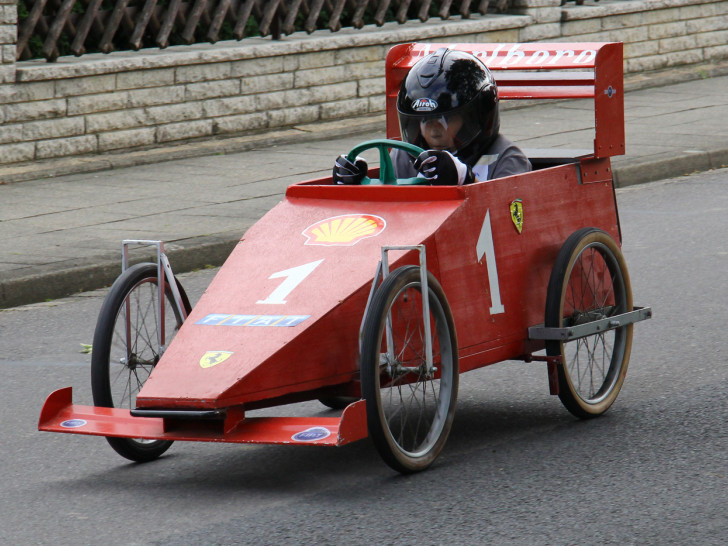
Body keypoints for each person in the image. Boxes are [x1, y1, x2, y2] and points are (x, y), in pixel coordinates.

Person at [333, 48, 531, 186]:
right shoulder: (402, 157)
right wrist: (356, 185)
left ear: (476, 118)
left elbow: (512, 223)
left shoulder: (507, 159)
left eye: (446, 120)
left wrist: (466, 180)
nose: (434, 131)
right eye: (424, 121)